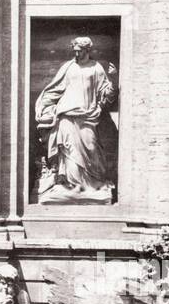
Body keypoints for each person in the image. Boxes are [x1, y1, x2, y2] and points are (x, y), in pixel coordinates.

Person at [34, 36, 118, 199]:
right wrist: (44, 105)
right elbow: (55, 88)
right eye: (75, 51)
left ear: (88, 51)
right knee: (69, 152)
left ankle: (91, 187)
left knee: (91, 148)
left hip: (88, 116)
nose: (77, 55)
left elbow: (107, 93)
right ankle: (72, 186)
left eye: (80, 51)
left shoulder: (97, 68)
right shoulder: (68, 67)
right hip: (66, 115)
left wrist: (113, 78)